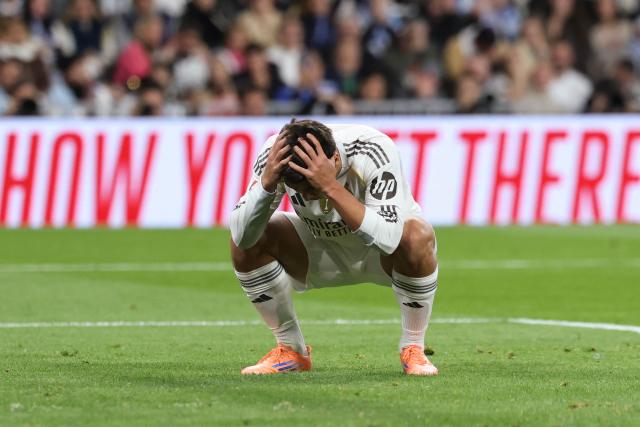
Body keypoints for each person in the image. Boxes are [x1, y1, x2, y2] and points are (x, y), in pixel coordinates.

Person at [229, 119, 439, 376]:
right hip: (318, 251)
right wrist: (267, 183)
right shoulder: (276, 154)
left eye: (310, 187)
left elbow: (389, 238)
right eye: (298, 189)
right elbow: (241, 235)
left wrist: (329, 186)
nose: (305, 197)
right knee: (249, 239)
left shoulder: (373, 149)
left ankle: (413, 347)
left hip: (382, 256)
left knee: (416, 236)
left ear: (335, 159)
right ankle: (291, 350)